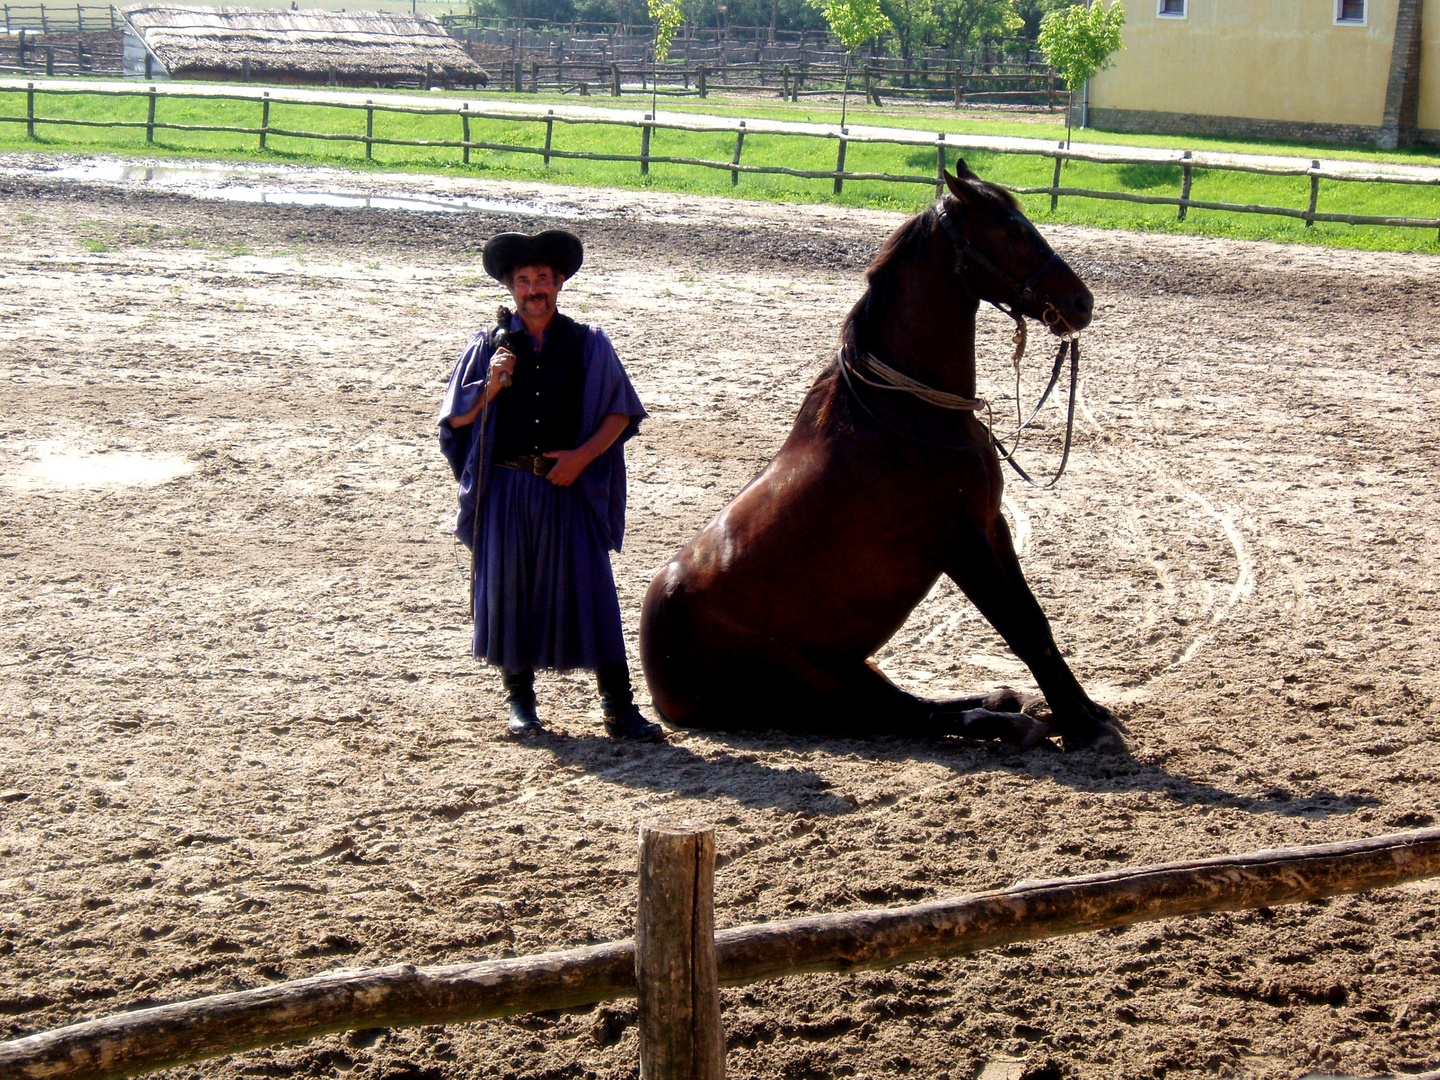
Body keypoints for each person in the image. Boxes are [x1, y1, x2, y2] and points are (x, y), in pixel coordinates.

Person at [437, 228, 664, 742]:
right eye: (523, 280)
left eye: (542, 278)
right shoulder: (485, 347)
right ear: (511, 288)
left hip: (568, 487)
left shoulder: (588, 344)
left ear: (559, 283)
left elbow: (621, 411)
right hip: (508, 490)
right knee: (511, 593)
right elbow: (455, 420)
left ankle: (619, 709)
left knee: (594, 592)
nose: (533, 288)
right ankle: (521, 704)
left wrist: (582, 458)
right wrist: (491, 386)